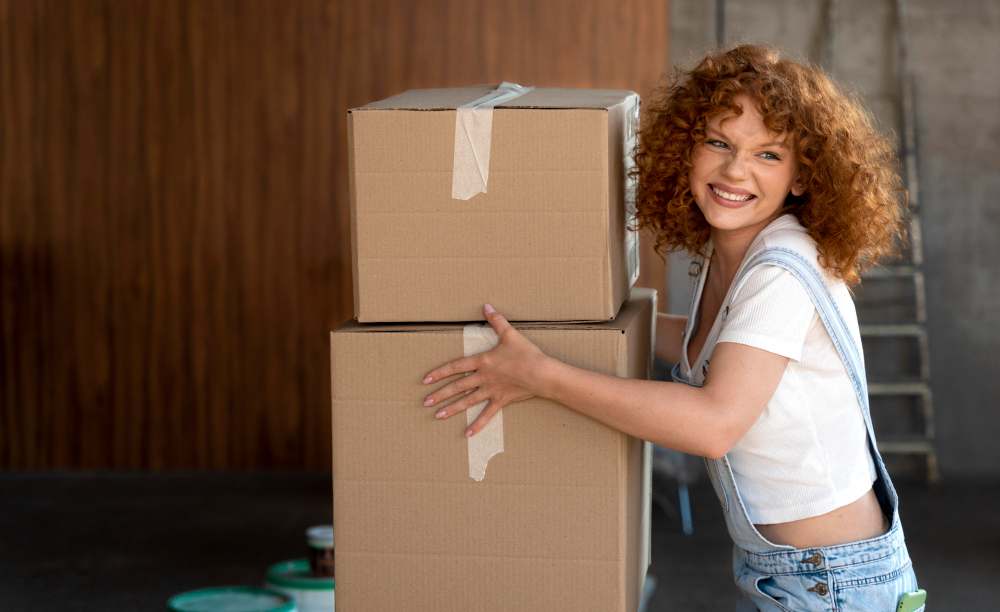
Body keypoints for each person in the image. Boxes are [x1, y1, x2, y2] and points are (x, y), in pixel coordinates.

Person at [420, 44, 920, 611]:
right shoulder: (733, 249)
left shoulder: (782, 266)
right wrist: (574, 315)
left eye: (768, 155)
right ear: (687, 148)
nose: (735, 170)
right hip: (790, 572)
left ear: (802, 177)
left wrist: (542, 377)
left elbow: (714, 424)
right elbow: (711, 346)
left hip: (834, 585)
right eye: (719, 143)